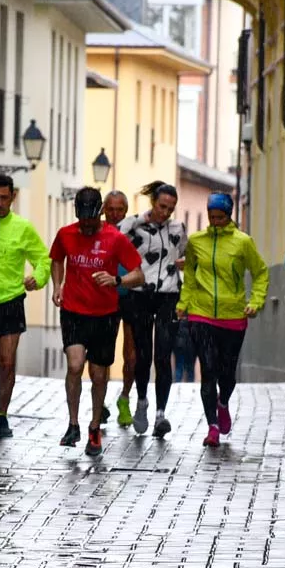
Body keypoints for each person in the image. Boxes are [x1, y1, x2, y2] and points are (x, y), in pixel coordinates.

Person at [50, 187, 144, 456]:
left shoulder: (115, 238)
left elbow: (139, 275)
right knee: (75, 364)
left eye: (92, 219)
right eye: (83, 219)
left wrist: (117, 280)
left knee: (99, 374)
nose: (88, 225)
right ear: (77, 213)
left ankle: (94, 426)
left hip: (105, 313)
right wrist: (58, 286)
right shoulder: (66, 234)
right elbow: (57, 259)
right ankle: (72, 423)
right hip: (73, 310)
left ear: (100, 212)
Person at [177, 192, 269, 447]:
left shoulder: (243, 242)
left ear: (229, 216)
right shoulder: (196, 242)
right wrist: (184, 304)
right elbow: (192, 275)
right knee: (208, 371)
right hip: (201, 313)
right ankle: (212, 427)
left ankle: (223, 402)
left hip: (233, 315)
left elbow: (260, 272)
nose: (215, 222)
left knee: (227, 374)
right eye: (212, 217)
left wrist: (256, 302)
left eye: (220, 217)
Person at [0, 175, 51, 438]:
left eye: (5, 198)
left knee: (6, 361)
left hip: (11, 300)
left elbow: (43, 259)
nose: (0, 203)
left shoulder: (23, 228)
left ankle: (2, 414)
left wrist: (37, 278)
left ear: (13, 197)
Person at [118, 181, 187, 437]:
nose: (165, 213)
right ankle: (142, 402)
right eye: (161, 207)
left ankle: (161, 413)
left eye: (170, 208)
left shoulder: (178, 228)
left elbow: (187, 254)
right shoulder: (137, 226)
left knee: (163, 355)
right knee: (143, 356)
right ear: (153, 203)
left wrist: (184, 263)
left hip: (168, 294)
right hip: (140, 294)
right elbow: (116, 234)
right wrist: (139, 218)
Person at [103, 190, 132, 426]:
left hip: (132, 296)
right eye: (110, 209)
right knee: (104, 352)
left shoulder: (135, 232)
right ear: (103, 209)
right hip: (105, 296)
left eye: (119, 209)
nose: (114, 214)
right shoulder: (97, 232)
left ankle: (125, 398)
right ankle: (100, 401)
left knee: (131, 355)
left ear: (126, 210)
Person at [173, 317, 196, 382]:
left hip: (180, 346)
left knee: (179, 365)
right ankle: (190, 383)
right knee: (190, 367)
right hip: (189, 347)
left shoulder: (177, 322)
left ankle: (177, 382)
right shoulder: (191, 323)